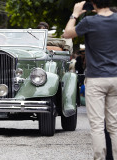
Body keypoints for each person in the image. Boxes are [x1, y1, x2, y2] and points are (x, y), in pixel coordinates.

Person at [62, 1, 117, 159]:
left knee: (98, 126)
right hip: (115, 77)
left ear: (93, 4)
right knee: (114, 126)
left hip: (96, 78)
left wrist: (75, 13)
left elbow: (67, 33)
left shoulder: (89, 22)